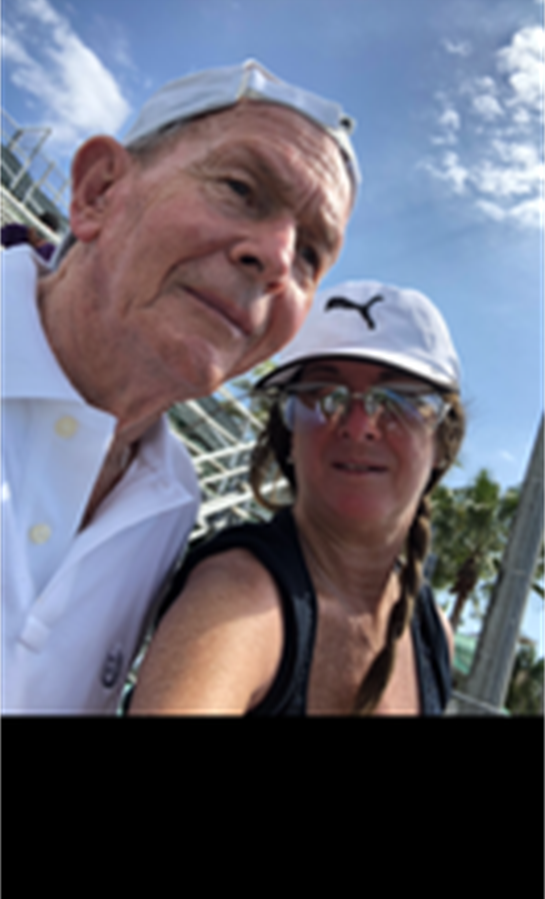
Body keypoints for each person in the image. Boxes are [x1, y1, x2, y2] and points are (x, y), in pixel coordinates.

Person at [1, 59, 358, 714]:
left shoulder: (173, 503)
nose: (278, 259)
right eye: (241, 188)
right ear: (98, 193)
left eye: (310, 252)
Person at [130, 279, 465, 716]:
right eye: (324, 395)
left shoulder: (433, 632)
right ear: (289, 434)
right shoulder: (237, 595)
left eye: (398, 400)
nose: (359, 424)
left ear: (442, 442)